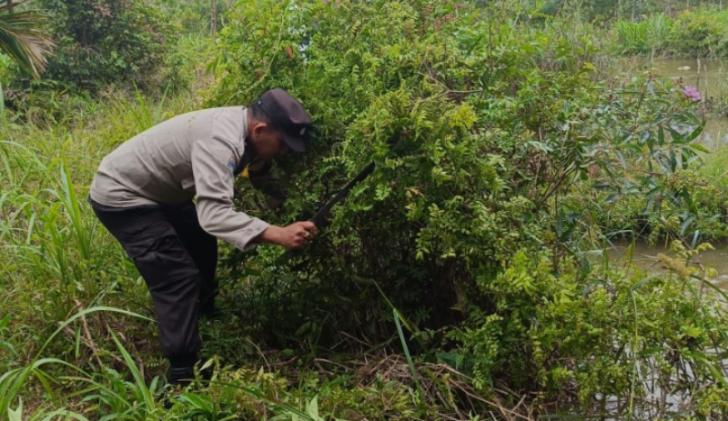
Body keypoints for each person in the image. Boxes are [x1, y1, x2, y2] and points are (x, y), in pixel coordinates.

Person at [87, 88, 318, 385]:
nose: (284, 151)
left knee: (200, 242)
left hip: (162, 191)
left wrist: (291, 204)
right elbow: (215, 215)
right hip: (122, 196)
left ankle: (205, 315)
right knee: (176, 276)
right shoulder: (220, 142)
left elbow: (259, 173)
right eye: (283, 144)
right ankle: (183, 374)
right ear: (260, 129)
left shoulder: (248, 132)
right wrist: (278, 234)